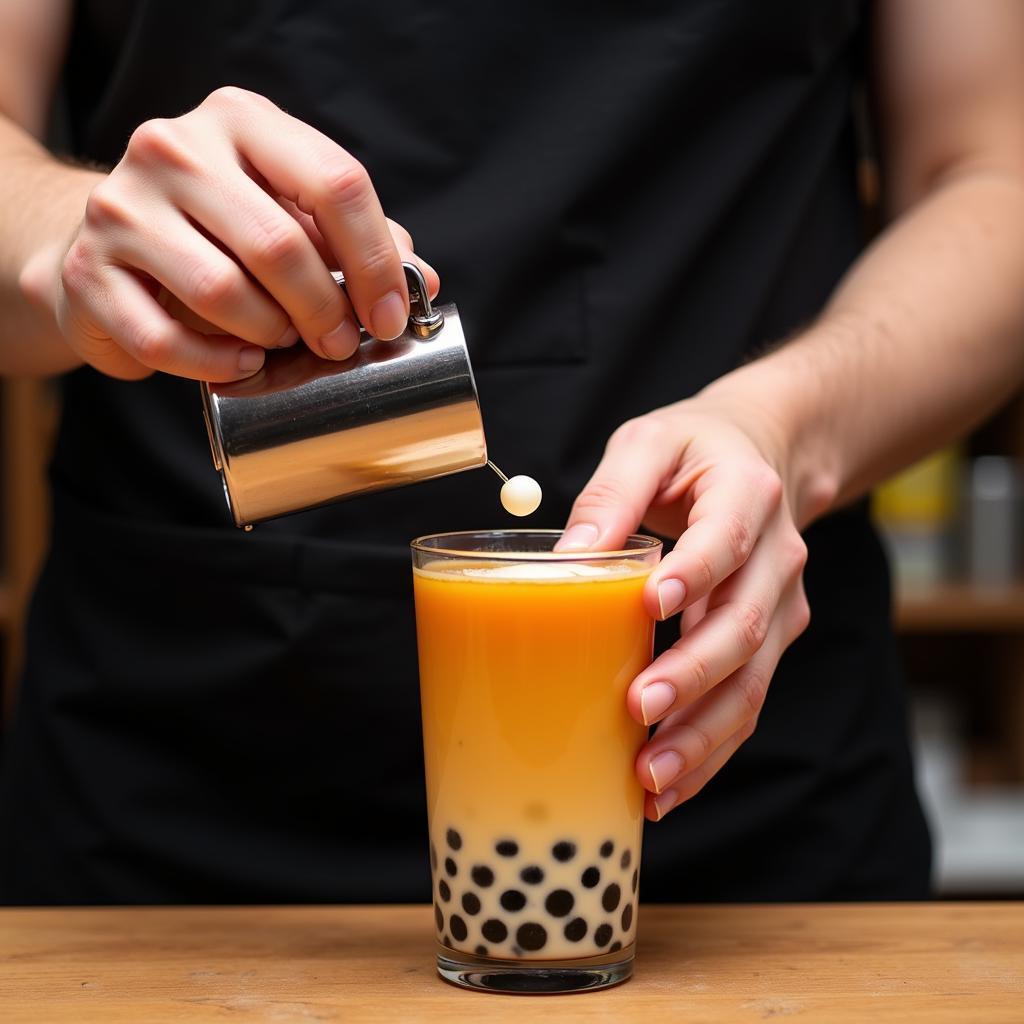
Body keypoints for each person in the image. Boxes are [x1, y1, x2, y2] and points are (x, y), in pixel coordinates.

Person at [1, 0, 1022, 905]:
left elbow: (989, 170)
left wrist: (785, 427)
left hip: (743, 836)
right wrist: (69, 246)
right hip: (167, 807)